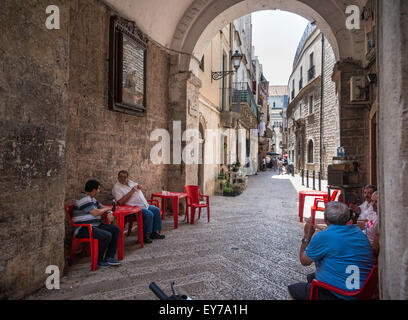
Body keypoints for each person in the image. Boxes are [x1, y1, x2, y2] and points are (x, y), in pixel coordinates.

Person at [288, 201, 376, 300]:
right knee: (311, 277)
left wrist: (307, 236)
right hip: (362, 292)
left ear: (325, 219)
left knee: (294, 289)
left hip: (341, 295)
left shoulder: (323, 237)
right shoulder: (358, 232)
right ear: (347, 218)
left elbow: (304, 261)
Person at [73, 180, 121, 268]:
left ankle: (109, 257)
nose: (99, 191)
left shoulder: (92, 199)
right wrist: (106, 210)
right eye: (98, 189)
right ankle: (99, 260)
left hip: (95, 226)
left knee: (115, 229)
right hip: (83, 229)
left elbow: (103, 207)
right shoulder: (83, 198)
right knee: (106, 235)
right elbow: (95, 213)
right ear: (94, 190)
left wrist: (109, 212)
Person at [112, 170, 165, 244]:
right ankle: (144, 236)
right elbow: (120, 202)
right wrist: (132, 191)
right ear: (118, 177)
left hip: (143, 205)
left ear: (127, 178)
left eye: (125, 177)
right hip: (132, 208)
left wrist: (140, 186)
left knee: (156, 210)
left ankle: (153, 233)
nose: (123, 179)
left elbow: (138, 186)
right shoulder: (117, 187)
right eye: (121, 177)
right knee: (149, 214)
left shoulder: (130, 182)